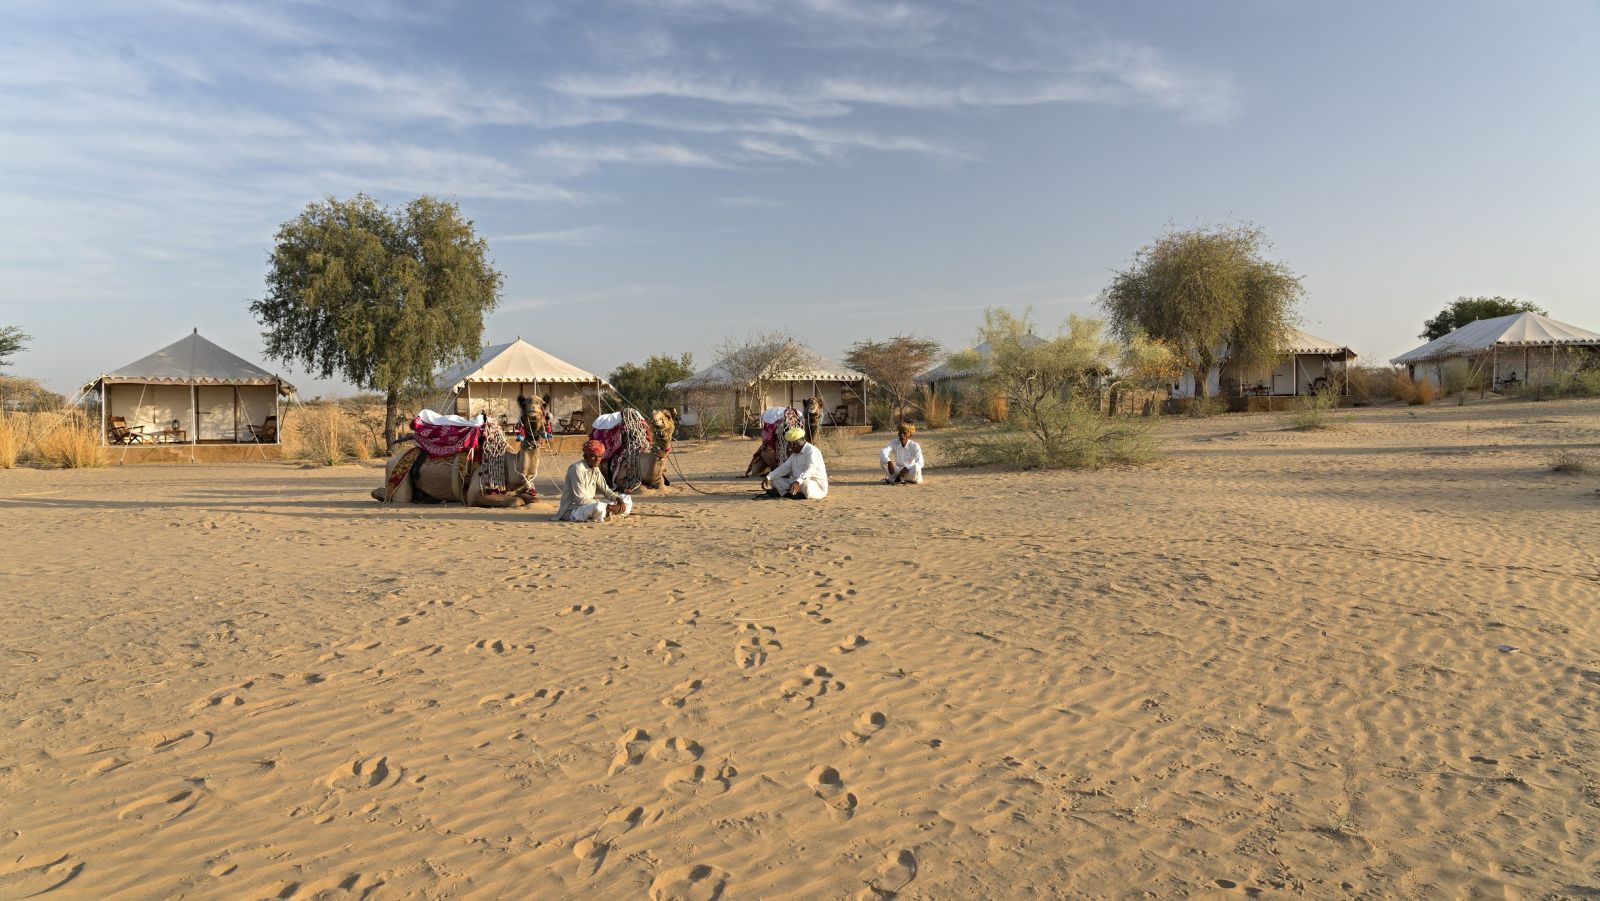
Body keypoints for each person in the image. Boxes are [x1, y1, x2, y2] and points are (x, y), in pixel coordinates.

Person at [553, 439, 631, 522]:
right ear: (585, 456)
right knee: (598, 507)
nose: (597, 459)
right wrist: (609, 507)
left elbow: (606, 491)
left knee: (626, 498)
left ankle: (608, 513)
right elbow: (581, 500)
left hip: (589, 504)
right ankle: (608, 512)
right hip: (573, 509)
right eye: (593, 456)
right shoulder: (577, 469)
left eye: (600, 456)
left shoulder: (595, 468)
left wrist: (618, 500)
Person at [758, 427, 828, 500]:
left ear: (795, 444)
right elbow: (784, 468)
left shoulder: (812, 451)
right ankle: (790, 494)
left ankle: (793, 493)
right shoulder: (795, 454)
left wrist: (798, 481)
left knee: (806, 484)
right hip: (796, 483)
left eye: (789, 444)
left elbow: (810, 470)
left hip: (814, 484)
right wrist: (769, 477)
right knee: (774, 480)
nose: (788, 447)